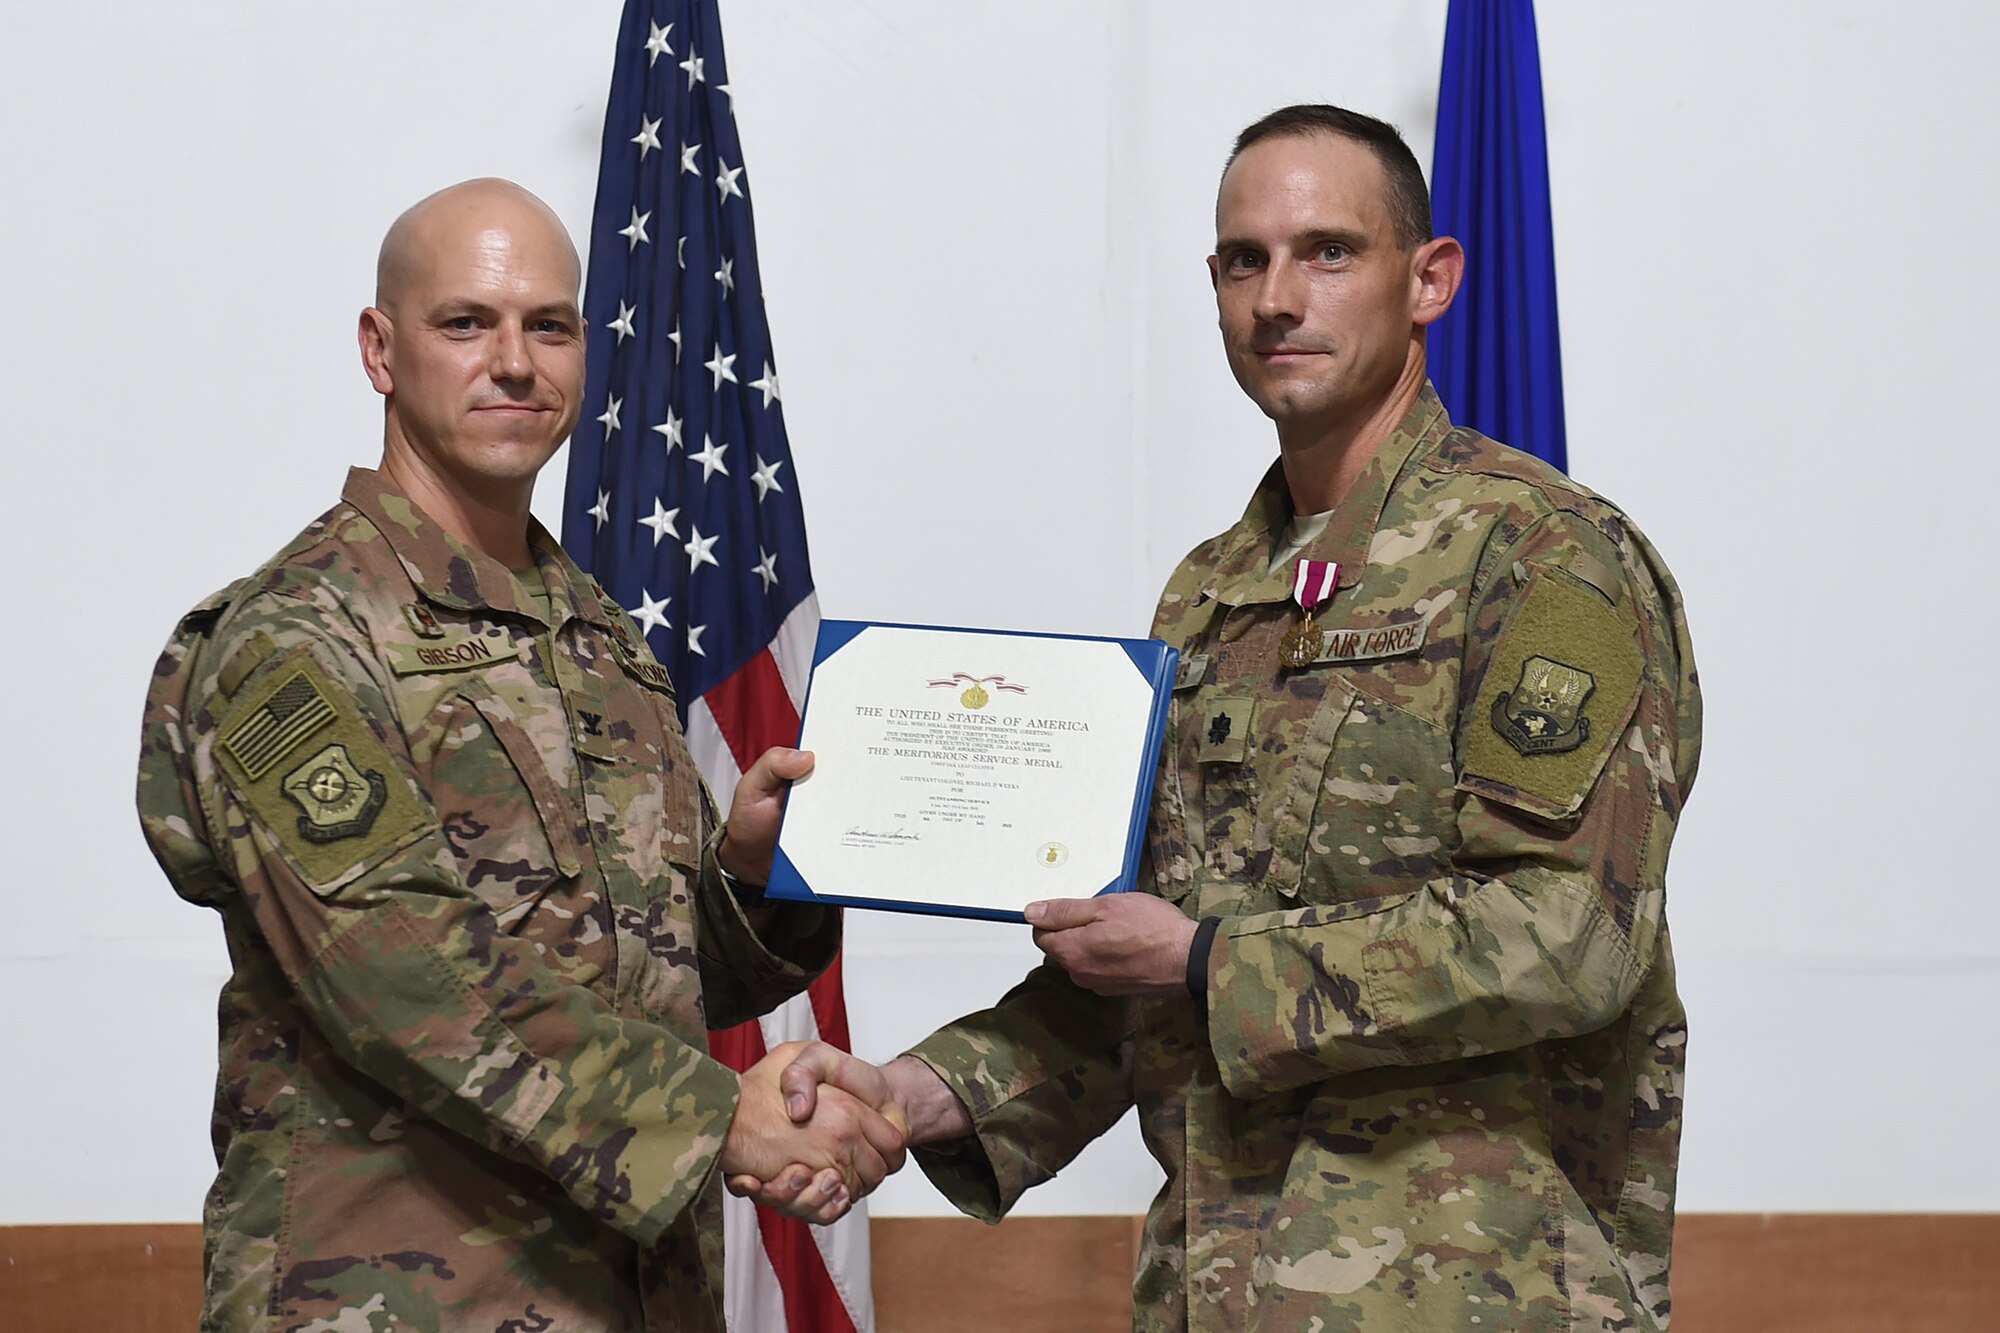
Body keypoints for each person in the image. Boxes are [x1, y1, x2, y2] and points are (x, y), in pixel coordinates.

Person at [744, 105, 1701, 1331]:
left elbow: (1565, 937)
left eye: (1327, 252)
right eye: (1244, 261)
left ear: (1429, 280)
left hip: (1474, 1296)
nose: (1277, 297)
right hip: (1219, 1289)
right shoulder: (1210, 598)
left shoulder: (1545, 559)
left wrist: (1205, 959)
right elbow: (1132, 969)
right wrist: (902, 1092)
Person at [134, 178, 905, 1333]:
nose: (513, 361)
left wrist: (743, 876)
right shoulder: (296, 639)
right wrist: (712, 1116)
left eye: (548, 325)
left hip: (633, 1294)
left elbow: (646, 975)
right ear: (379, 349)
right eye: (465, 323)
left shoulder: (597, 640)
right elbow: (401, 972)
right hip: (394, 1298)